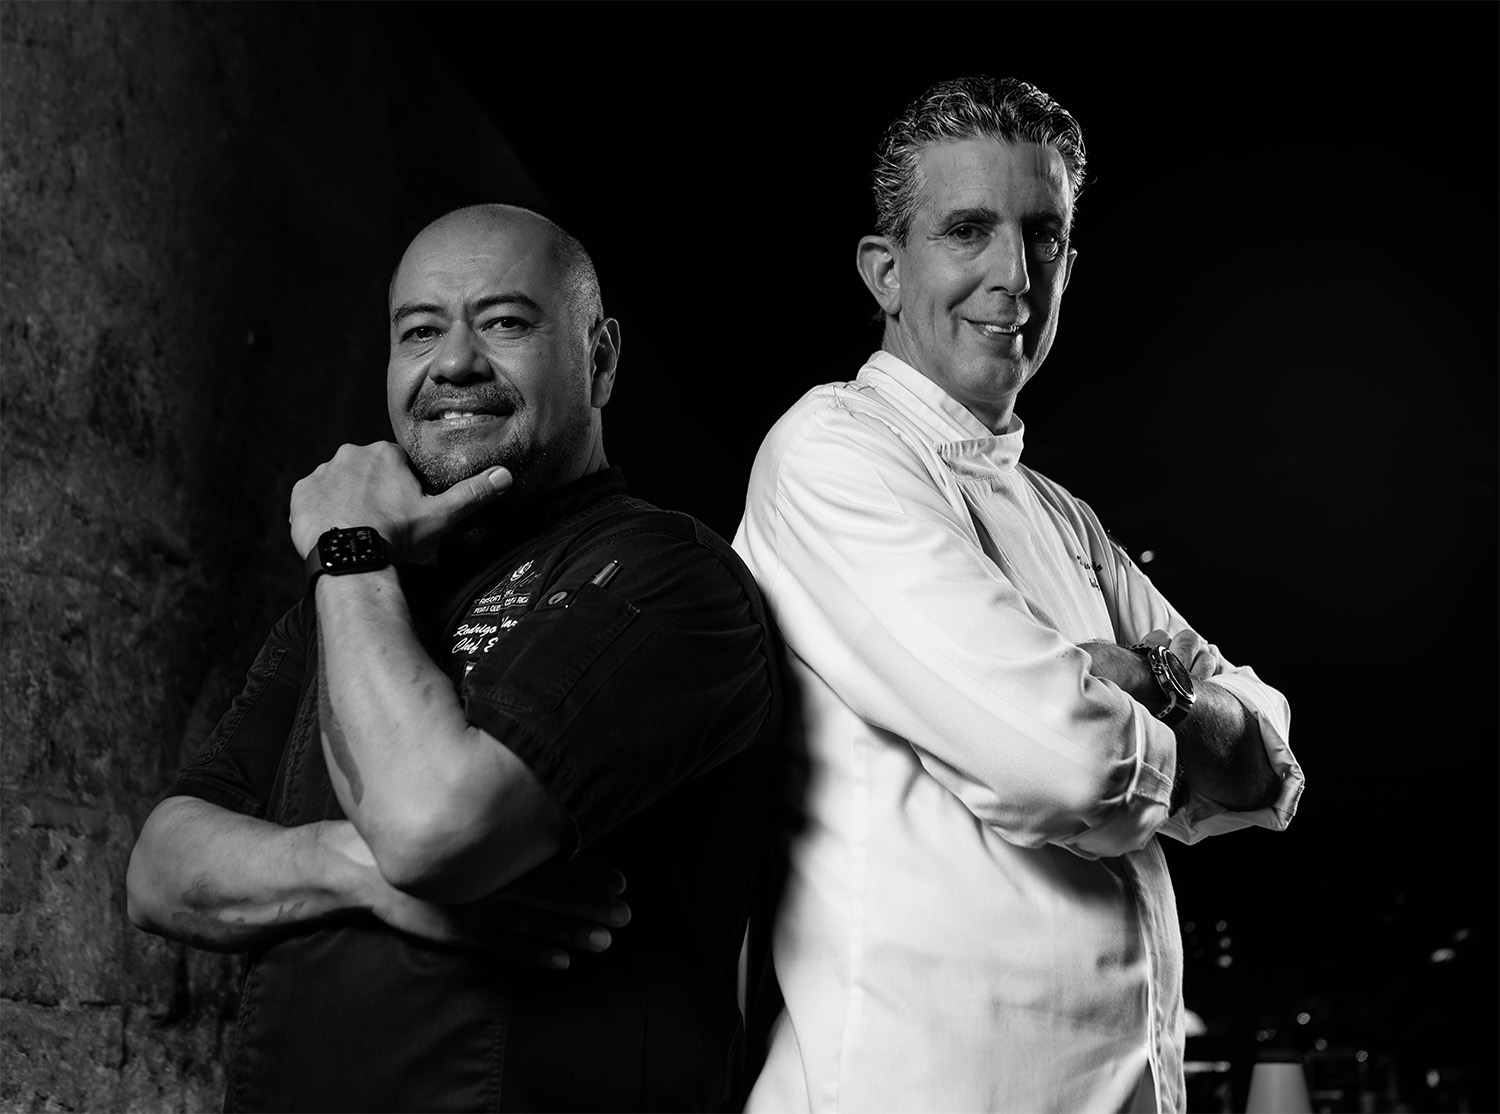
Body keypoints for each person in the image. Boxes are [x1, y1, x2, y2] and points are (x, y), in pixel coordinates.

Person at [127, 204, 781, 1112]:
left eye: (505, 322)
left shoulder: (670, 580)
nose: (455, 363)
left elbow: (429, 828)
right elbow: (160, 870)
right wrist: (356, 871)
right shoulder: (357, 597)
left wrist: (349, 548)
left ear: (601, 359)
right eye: (420, 331)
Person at [733, 76, 1304, 1113]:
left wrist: (1150, 684)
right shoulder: (829, 454)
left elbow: (1265, 760)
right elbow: (1069, 765)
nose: (1014, 275)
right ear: (884, 270)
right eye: (968, 230)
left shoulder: (1064, 517)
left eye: (1044, 236)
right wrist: (1160, 715)